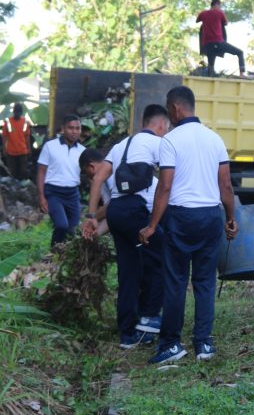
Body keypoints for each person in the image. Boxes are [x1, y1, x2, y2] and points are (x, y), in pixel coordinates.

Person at [139, 86, 238, 364]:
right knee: (205, 281)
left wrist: (151, 225)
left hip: (181, 218)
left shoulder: (170, 141)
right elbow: (226, 185)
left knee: (176, 281)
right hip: (210, 216)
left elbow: (165, 186)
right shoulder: (215, 139)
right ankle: (204, 343)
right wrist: (230, 218)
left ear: (175, 108)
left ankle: (171, 344)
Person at [82, 105, 170, 350]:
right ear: (161, 125)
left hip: (117, 212)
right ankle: (148, 320)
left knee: (129, 272)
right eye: (166, 128)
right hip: (136, 211)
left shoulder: (121, 145)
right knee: (161, 260)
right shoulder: (158, 143)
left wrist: (91, 215)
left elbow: (98, 178)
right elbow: (169, 180)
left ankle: (127, 333)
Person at [37, 115, 85, 246]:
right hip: (53, 193)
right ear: (63, 129)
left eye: (77, 128)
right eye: (71, 128)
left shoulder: (83, 151)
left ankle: (65, 255)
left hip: (73, 194)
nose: (74, 131)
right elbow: (41, 172)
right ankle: (54, 252)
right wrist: (41, 197)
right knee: (61, 225)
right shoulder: (50, 146)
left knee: (73, 230)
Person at [196, 0, 245, 76]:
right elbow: (226, 23)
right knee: (240, 53)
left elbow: (197, 20)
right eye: (219, 6)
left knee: (211, 64)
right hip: (218, 41)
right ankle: (241, 74)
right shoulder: (220, 13)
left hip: (207, 43)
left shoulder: (203, 13)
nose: (220, 8)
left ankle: (210, 75)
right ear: (216, 4)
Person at [78, 148, 112, 239]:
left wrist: (91, 218)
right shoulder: (103, 182)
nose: (87, 176)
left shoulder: (113, 174)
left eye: (85, 172)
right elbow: (112, 214)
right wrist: (95, 233)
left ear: (91, 166)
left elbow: (112, 206)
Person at [1, 103, 32, 180]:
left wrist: (29, 149)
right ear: (14, 112)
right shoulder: (8, 122)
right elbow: (4, 137)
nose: (17, 114)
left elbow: (27, 137)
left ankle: (22, 185)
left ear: (21, 112)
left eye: (18, 112)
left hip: (22, 151)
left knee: (23, 171)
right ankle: (14, 185)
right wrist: (4, 149)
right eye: (16, 112)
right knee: (12, 172)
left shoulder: (25, 122)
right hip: (11, 152)